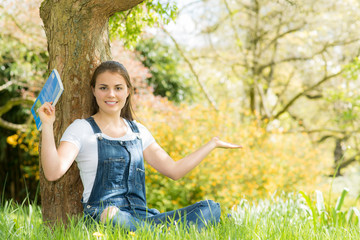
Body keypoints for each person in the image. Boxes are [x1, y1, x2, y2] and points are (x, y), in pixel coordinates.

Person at [39, 61, 242, 232]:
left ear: (128, 91)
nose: (111, 94)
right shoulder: (82, 129)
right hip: (106, 217)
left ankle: (155, 232)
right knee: (111, 215)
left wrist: (212, 144)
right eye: (103, 88)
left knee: (210, 208)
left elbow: (174, 170)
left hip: (142, 218)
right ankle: (163, 234)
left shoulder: (138, 132)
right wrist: (47, 126)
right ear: (94, 91)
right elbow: (53, 172)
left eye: (118, 88)